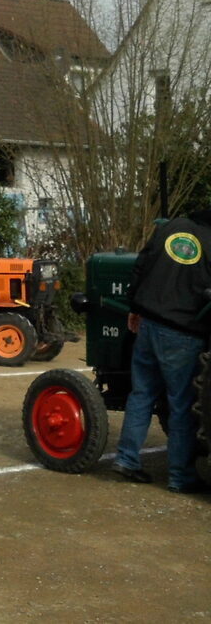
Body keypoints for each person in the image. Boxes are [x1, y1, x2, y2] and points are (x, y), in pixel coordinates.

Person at [111, 207, 211, 493]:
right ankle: (180, 476)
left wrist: (134, 307)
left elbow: (141, 265)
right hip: (183, 331)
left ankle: (126, 458)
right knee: (181, 405)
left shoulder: (171, 226)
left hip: (149, 324)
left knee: (141, 394)